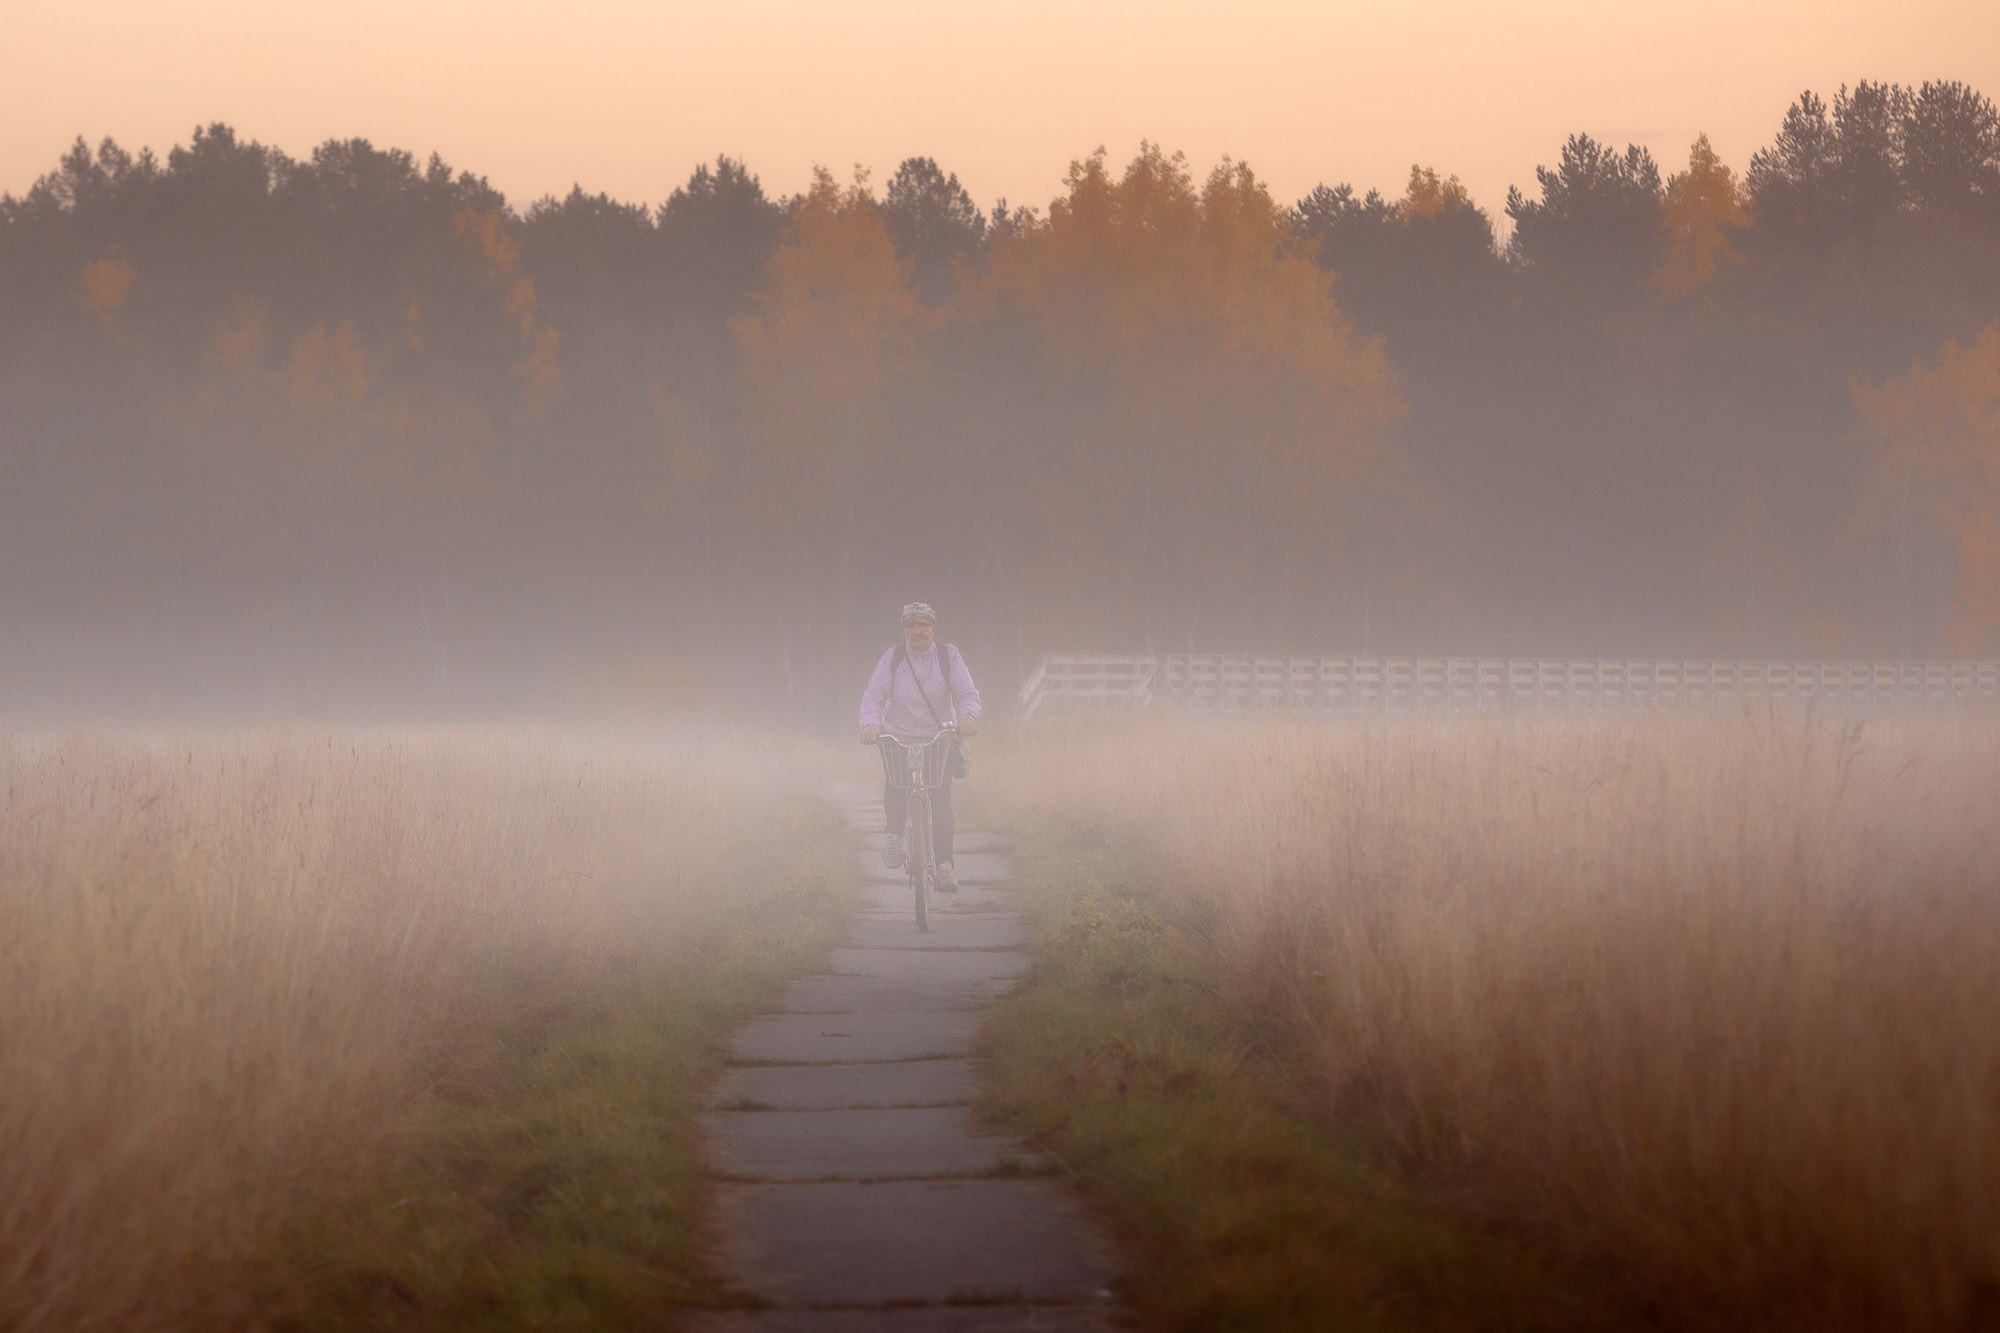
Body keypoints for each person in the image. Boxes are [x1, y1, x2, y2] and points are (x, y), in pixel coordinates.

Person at [859, 602, 981, 891]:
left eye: (923, 624)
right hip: (899, 735)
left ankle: (944, 865)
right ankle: (894, 837)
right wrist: (869, 725)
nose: (917, 631)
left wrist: (969, 718)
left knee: (940, 799)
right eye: (910, 625)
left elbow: (966, 693)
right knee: (896, 785)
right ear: (903, 629)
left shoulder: (947, 656)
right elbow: (874, 696)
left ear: (933, 628)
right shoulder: (894, 658)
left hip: (939, 737)